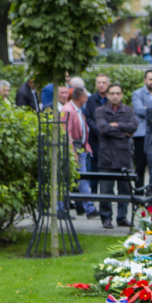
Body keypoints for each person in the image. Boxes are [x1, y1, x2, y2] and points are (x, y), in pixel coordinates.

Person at [94, 83, 138, 228]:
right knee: (106, 190)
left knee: (124, 189)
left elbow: (133, 127)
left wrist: (115, 125)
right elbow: (103, 129)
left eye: (118, 93)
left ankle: (122, 217)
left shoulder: (128, 110)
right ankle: (106, 218)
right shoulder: (100, 111)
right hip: (106, 156)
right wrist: (123, 133)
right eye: (112, 93)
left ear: (122, 95)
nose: (115, 96)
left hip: (123, 156)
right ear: (107, 95)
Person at [62, 88, 97, 219]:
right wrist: (72, 153)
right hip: (73, 149)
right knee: (68, 180)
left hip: (80, 149)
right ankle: (62, 209)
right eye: (85, 97)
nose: (87, 99)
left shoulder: (76, 109)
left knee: (83, 179)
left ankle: (89, 208)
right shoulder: (68, 110)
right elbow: (66, 133)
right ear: (81, 97)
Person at [132, 71, 152, 190]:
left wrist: (147, 109)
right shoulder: (137, 93)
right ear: (145, 80)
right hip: (141, 134)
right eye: (151, 79)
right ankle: (138, 196)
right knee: (140, 166)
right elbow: (139, 110)